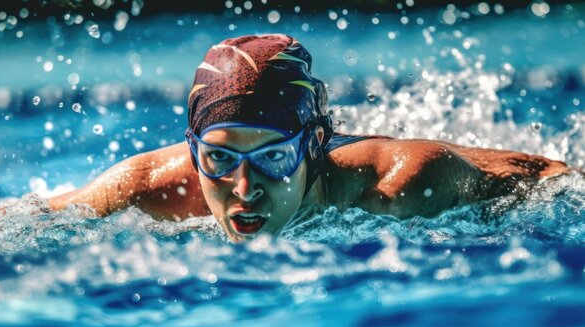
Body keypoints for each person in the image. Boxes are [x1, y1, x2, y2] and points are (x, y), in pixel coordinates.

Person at [41, 34, 569, 243]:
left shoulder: (405, 185)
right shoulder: (146, 187)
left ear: (314, 145)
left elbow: (556, 183)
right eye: (219, 157)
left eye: (273, 156)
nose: (243, 186)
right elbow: (22, 220)